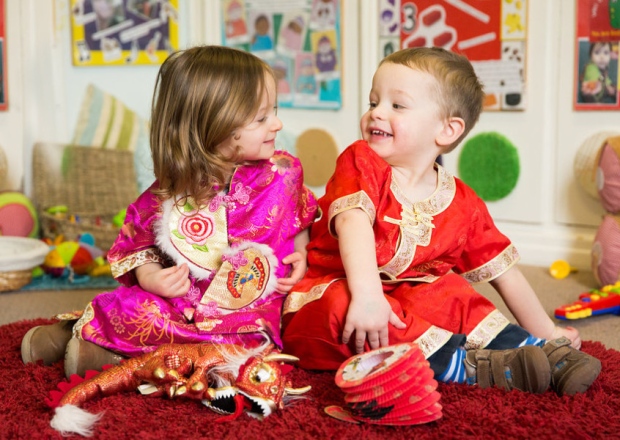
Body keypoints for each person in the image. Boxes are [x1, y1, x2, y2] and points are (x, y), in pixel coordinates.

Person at [282, 47, 601, 396]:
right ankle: (470, 367)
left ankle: (537, 351)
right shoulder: (361, 161)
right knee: (343, 304)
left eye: (397, 105)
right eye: (374, 102)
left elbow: (505, 274)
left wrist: (548, 332)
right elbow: (353, 223)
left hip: (406, 298)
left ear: (447, 130)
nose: (376, 114)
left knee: (453, 294)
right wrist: (369, 295)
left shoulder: (461, 201)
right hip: (335, 292)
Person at [22, 45, 319, 378]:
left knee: (247, 354)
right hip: (180, 304)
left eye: (274, 110)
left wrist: (303, 253)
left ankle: (118, 359)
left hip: (249, 312)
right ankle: (77, 332)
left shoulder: (283, 172)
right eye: (262, 118)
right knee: (132, 308)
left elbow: (301, 215)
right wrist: (152, 278)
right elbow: (138, 245)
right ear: (214, 126)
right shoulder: (175, 188)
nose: (277, 124)